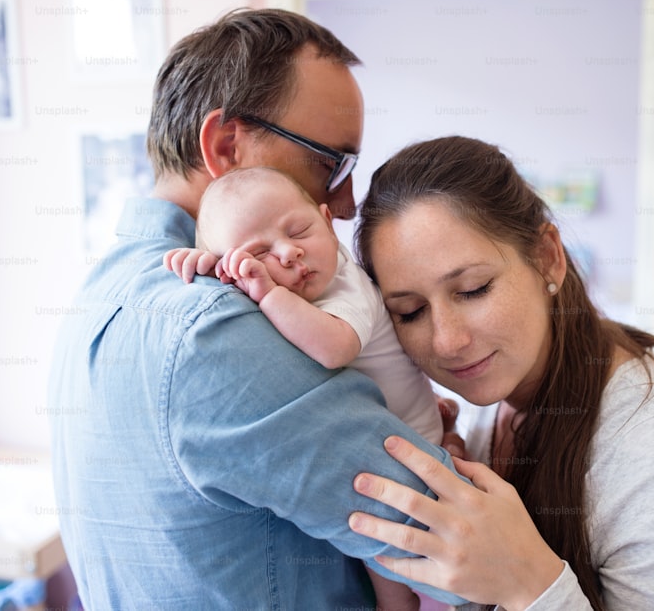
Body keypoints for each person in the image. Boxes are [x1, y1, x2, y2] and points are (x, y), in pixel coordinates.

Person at [47, 8, 465, 610]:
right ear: (225, 146)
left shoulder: (100, 292)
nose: (346, 205)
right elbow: (453, 541)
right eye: (332, 164)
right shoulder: (217, 330)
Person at [346, 136, 654, 610]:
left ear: (548, 257)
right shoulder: (494, 400)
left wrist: (530, 585)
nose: (446, 342)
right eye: (411, 311)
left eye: (474, 289)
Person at [164, 166, 444, 444]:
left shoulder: (347, 284)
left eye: (299, 232)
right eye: (259, 253)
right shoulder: (266, 283)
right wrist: (210, 271)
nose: (289, 252)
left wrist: (270, 294)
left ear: (328, 224)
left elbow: (335, 350)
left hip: (417, 440)